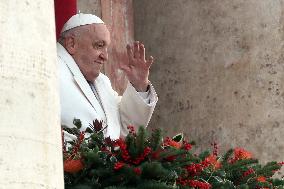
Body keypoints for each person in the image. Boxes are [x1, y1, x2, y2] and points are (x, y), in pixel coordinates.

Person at [58, 13, 158, 140]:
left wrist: (139, 85)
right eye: (99, 46)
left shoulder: (102, 82)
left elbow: (125, 129)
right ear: (72, 44)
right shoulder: (51, 70)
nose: (105, 56)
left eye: (106, 48)